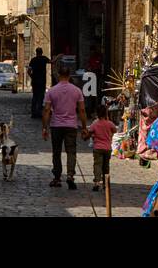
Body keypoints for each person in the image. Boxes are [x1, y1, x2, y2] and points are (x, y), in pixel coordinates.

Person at [42, 62, 89, 190]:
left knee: (56, 152)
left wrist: (45, 127)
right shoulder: (77, 91)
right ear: (69, 75)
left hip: (56, 125)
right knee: (71, 151)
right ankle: (70, 175)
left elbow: (46, 110)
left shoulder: (52, 91)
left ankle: (57, 177)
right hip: (71, 126)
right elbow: (82, 110)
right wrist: (84, 127)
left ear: (58, 75)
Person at [88, 104, 117, 192]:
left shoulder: (95, 123)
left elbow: (90, 131)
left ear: (97, 113)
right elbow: (114, 130)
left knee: (97, 165)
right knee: (106, 166)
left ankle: (97, 182)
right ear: (106, 113)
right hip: (107, 148)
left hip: (97, 148)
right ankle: (106, 183)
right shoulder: (110, 124)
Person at [27, 47, 50, 119]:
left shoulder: (33, 60)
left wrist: (32, 77)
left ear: (36, 52)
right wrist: (58, 56)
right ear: (42, 52)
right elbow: (52, 61)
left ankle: (34, 112)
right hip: (42, 81)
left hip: (35, 81)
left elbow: (29, 71)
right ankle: (39, 111)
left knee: (35, 96)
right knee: (41, 96)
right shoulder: (44, 59)